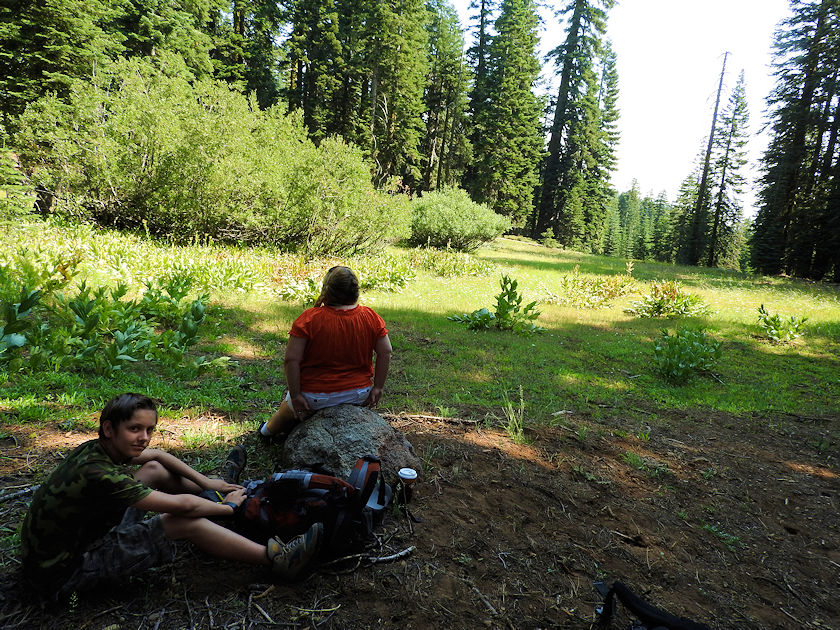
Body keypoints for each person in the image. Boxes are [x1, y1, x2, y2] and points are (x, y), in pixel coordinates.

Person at [20, 393, 322, 601]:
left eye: (149, 429)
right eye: (134, 429)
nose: (143, 437)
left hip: (78, 543)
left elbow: (157, 457)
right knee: (180, 522)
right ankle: (279, 559)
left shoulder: (95, 449)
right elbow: (182, 506)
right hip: (64, 576)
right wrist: (227, 509)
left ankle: (220, 493)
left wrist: (206, 481)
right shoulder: (100, 474)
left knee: (153, 470)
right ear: (109, 429)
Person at [259, 265, 393, 441]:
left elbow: (291, 360)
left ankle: (266, 432)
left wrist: (297, 396)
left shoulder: (309, 318)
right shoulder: (370, 316)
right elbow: (386, 352)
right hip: (358, 394)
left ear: (327, 290)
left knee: (287, 406)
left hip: (314, 396)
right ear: (355, 291)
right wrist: (378, 387)